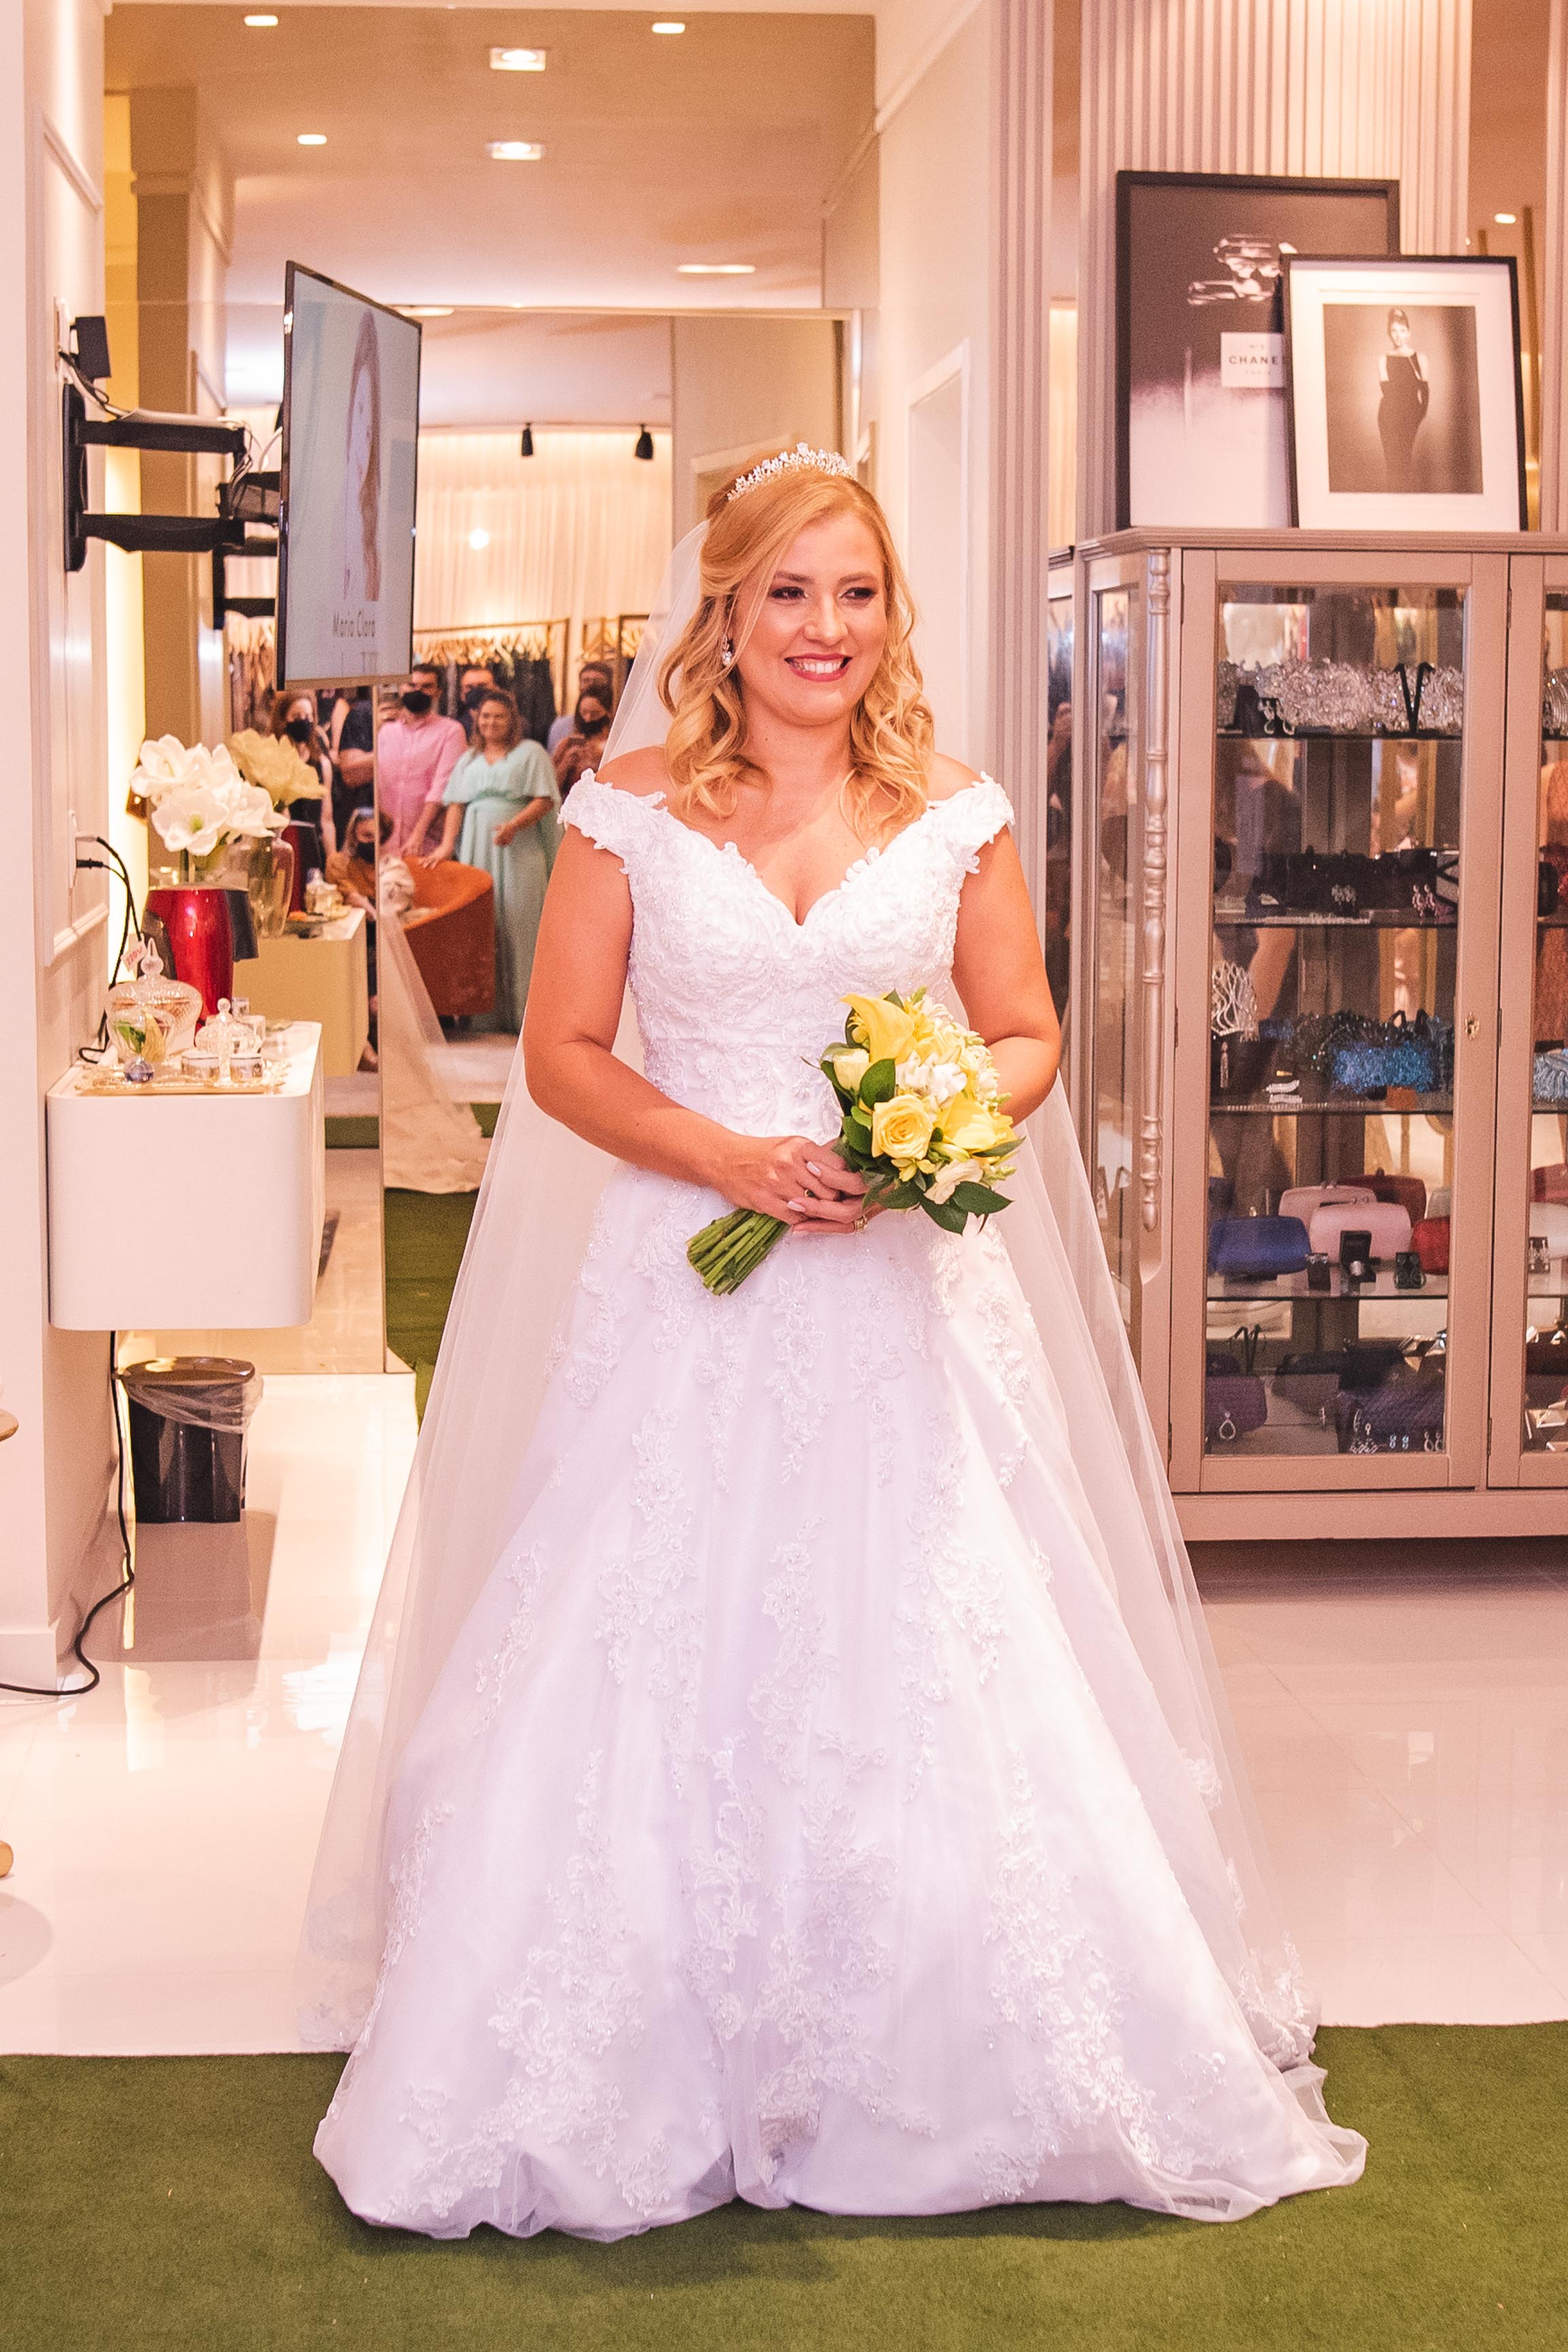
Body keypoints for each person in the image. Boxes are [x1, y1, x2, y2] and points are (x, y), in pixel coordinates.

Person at [306, 447, 1364, 2238]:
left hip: (896, 1284)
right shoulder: (629, 809)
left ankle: (931, 2044)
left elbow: (1024, 1034)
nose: (826, 627)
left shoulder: (955, 810)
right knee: (645, 1618)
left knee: (933, 1623)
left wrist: (930, 1125)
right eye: (789, 592)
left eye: (856, 592)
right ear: (724, 612)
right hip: (685, 1271)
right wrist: (727, 1157)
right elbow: (562, 1056)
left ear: (892, 613)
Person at [424, 687, 559, 1031]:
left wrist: (515, 825)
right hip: (477, 845)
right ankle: (486, 1015)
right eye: (486, 716)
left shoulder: (531, 753)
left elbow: (545, 799)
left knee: (521, 922)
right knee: (485, 925)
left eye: (499, 716)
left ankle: (526, 1014)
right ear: (477, 720)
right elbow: (456, 804)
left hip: (519, 847)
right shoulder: (468, 759)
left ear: (512, 720)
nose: (491, 722)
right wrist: (446, 847)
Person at [376, 664, 466, 860]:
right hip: (384, 842)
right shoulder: (386, 732)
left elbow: (441, 788)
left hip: (426, 843)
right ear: (402, 688)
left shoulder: (451, 731)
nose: (418, 691)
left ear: (438, 693)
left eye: (427, 686)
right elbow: (380, 785)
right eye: (412, 685)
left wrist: (418, 834)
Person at [271, 691, 338, 862]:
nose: (303, 721)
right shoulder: (274, 760)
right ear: (283, 720)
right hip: (284, 848)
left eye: (308, 717)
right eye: (296, 716)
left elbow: (327, 820)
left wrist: (332, 859)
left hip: (313, 848)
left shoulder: (322, 764)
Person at [1377, 309, 1429, 493]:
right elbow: (1388, 391)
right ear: (1389, 333)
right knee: (1391, 461)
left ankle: (1404, 500)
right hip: (1388, 415)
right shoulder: (1383, 359)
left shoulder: (1420, 358)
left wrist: (1419, 415)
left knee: (1404, 458)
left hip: (1410, 415)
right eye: (1394, 331)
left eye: (1402, 331)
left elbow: (1425, 392)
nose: (1398, 336)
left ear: (1409, 333)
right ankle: (1392, 500)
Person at [551, 687, 612, 798]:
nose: (588, 719)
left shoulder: (613, 744)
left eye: (595, 714)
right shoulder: (569, 744)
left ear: (608, 712)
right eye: (584, 713)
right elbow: (550, 788)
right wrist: (565, 764)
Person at [547, 658, 613, 755]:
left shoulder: (618, 725)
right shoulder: (561, 725)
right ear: (580, 685)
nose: (591, 685)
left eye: (598, 681)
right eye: (586, 681)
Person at [457, 664, 497, 741]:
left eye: (482, 686)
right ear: (462, 694)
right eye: (470, 687)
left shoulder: (513, 724)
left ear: (496, 690)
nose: (476, 691)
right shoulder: (456, 728)